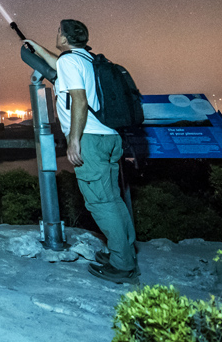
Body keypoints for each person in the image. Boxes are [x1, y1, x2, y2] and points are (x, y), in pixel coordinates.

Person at [24, 19, 138, 284]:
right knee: (113, 199)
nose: (56, 35)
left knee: (100, 202)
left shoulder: (69, 62)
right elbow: (58, 65)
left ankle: (123, 266)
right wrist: (37, 48)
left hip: (90, 140)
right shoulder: (87, 59)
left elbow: (80, 100)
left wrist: (74, 140)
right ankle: (123, 253)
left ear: (65, 38)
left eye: (58, 32)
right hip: (110, 137)